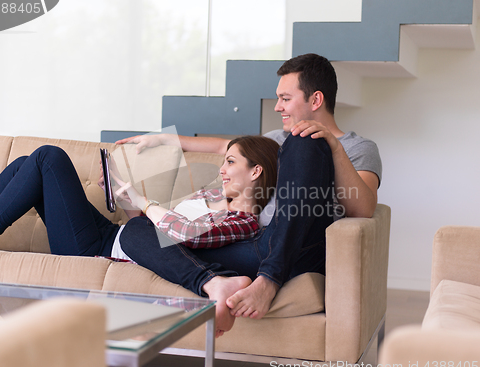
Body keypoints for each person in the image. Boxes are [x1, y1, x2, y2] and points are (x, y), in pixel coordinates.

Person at [116, 53, 382, 327]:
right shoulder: (275, 139)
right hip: (257, 243)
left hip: (304, 246)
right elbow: (225, 147)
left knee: (306, 141)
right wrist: (165, 139)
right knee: (136, 231)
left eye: (286, 99)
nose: (278, 107)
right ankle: (214, 284)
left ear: (316, 100)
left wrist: (333, 147)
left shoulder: (358, 147)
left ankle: (269, 281)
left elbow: (362, 208)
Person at [0, 135, 279, 337]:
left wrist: (138, 198)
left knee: (49, 157)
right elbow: (146, 230)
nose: (221, 169)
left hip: (97, 250)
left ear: (255, 172)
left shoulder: (245, 221)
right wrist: (118, 193)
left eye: (230, 162)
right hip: (114, 235)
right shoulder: (214, 198)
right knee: (26, 163)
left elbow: (186, 235)